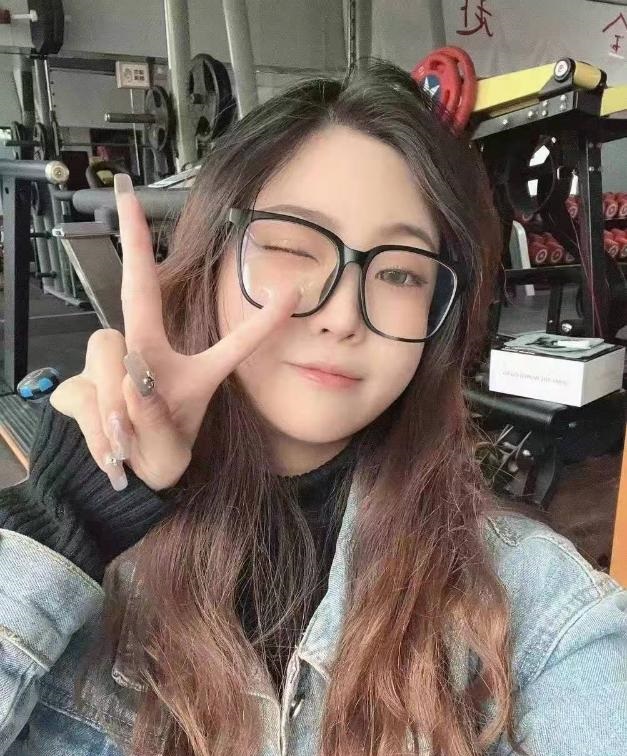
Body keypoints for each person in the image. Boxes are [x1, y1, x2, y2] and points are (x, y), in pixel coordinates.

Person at [0, 60, 625, 756]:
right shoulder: (77, 564)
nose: (341, 315)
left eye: (399, 272)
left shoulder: (537, 608)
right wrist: (70, 511)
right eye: (292, 246)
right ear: (211, 263)